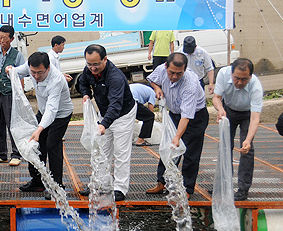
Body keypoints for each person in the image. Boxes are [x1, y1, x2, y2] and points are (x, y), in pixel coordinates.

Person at [77, 44, 137, 201]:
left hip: (122, 114)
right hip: (104, 113)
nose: (92, 68)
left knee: (121, 151)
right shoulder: (88, 70)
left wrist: (104, 124)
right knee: (101, 151)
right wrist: (86, 94)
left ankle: (120, 188)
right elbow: (82, 82)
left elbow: (116, 105)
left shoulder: (115, 77)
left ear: (105, 59)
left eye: (96, 64)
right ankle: (100, 185)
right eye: (89, 64)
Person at [10, 52, 73, 200]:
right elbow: (17, 72)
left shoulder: (56, 80)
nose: (36, 76)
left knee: (52, 144)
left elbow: (52, 110)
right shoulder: (32, 66)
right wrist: (10, 70)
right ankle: (38, 181)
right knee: (36, 145)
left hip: (60, 114)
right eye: (33, 72)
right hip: (43, 111)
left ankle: (57, 186)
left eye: (40, 73)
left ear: (48, 68)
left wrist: (39, 129)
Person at [146, 52, 209, 199]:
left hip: (195, 118)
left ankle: (187, 188)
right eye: (171, 72)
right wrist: (157, 88)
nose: (174, 77)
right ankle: (161, 182)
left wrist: (177, 137)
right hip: (174, 114)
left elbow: (186, 116)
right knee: (167, 149)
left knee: (190, 153)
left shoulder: (190, 84)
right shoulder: (161, 69)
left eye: (178, 74)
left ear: (185, 69)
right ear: (166, 66)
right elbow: (152, 80)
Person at [212, 58, 263, 201]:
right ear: (231, 73)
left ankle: (243, 189)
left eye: (244, 79)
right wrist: (220, 109)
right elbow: (216, 98)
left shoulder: (256, 86)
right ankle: (224, 185)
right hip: (228, 110)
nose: (239, 82)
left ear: (251, 76)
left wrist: (248, 139)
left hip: (247, 114)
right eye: (236, 78)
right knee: (224, 147)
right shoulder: (223, 73)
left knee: (247, 149)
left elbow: (255, 118)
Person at [0, 25, 25, 167]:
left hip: (9, 94)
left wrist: (20, 95)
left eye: (5, 38)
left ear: (12, 39)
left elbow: (20, 76)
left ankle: (16, 154)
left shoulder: (17, 55)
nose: (2, 40)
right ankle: (1, 154)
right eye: (0, 37)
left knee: (11, 124)